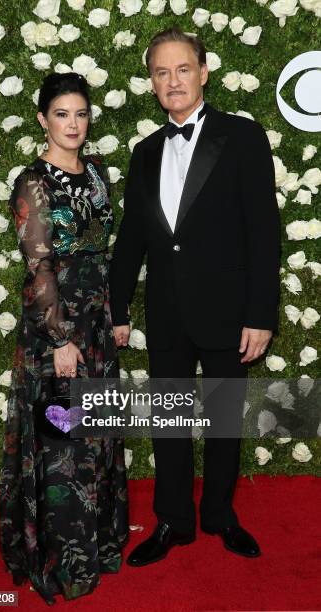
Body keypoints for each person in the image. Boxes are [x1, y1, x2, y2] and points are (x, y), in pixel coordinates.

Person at [109, 27, 281, 566]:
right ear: (152, 83)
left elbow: (264, 232)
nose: (172, 80)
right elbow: (132, 239)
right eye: (161, 72)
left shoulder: (243, 137)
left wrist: (260, 314)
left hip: (231, 314)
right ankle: (173, 521)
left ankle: (221, 516)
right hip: (166, 314)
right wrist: (117, 309)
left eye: (182, 69)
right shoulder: (144, 152)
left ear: (203, 72)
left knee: (224, 419)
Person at [0, 72, 128, 605]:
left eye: (80, 114)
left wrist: (116, 313)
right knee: (64, 445)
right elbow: (38, 265)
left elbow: (109, 252)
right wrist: (57, 338)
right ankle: (66, 563)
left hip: (98, 322)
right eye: (61, 114)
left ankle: (99, 543)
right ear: (42, 119)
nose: (72, 124)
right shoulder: (33, 182)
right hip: (59, 327)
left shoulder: (97, 172)